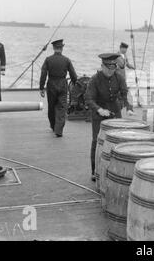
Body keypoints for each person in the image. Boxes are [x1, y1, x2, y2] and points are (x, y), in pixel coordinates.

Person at [85, 53, 133, 181]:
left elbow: (124, 93)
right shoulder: (95, 79)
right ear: (102, 66)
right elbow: (89, 98)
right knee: (97, 140)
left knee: (117, 140)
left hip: (114, 111)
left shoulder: (119, 77)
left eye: (113, 68)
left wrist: (128, 107)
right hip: (99, 113)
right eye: (108, 68)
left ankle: (113, 169)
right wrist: (99, 109)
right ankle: (94, 171)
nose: (111, 71)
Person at [39, 39, 77, 137]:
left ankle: (53, 126)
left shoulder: (48, 59)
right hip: (62, 84)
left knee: (51, 107)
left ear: (53, 48)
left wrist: (41, 88)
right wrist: (74, 82)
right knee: (61, 107)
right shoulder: (66, 60)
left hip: (51, 84)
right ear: (62, 48)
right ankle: (59, 130)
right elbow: (73, 75)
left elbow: (43, 74)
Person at [116, 42, 135, 113]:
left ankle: (127, 108)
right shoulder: (116, 56)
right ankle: (127, 108)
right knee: (123, 92)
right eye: (124, 49)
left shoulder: (125, 55)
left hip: (123, 77)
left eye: (126, 49)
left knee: (124, 92)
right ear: (120, 48)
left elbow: (127, 64)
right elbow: (116, 65)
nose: (125, 50)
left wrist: (133, 68)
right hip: (117, 77)